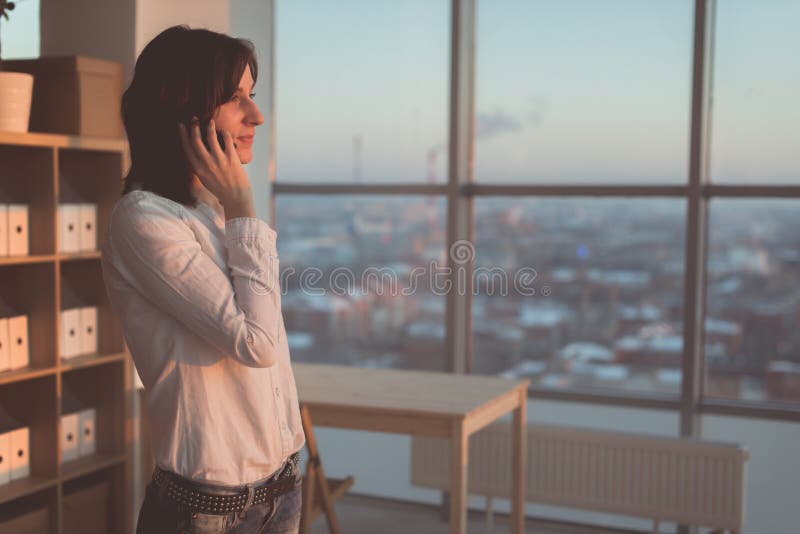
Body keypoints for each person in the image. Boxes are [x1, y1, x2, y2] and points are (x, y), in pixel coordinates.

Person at [100, 25, 306, 533]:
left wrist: (234, 212)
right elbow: (257, 343)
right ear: (186, 111)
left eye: (251, 96)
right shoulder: (145, 221)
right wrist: (243, 206)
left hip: (282, 491)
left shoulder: (212, 216)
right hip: (210, 513)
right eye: (235, 99)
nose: (256, 115)